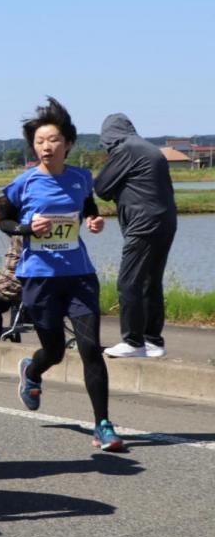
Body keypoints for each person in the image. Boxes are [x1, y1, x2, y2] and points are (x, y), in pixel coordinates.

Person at [0, 97, 123, 452]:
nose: (46, 147)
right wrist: (26, 227)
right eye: (39, 142)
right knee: (52, 351)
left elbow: (88, 209)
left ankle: (103, 425)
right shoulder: (24, 183)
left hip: (79, 275)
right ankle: (33, 371)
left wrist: (95, 220)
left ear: (68, 143)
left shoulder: (82, 178)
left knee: (90, 349)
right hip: (39, 278)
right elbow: (2, 219)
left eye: (52, 140)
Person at [95, 114, 178, 358]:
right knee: (150, 282)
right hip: (166, 221)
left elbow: (101, 187)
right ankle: (153, 340)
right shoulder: (150, 149)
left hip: (143, 224)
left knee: (128, 281)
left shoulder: (126, 149)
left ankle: (132, 341)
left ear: (110, 135)